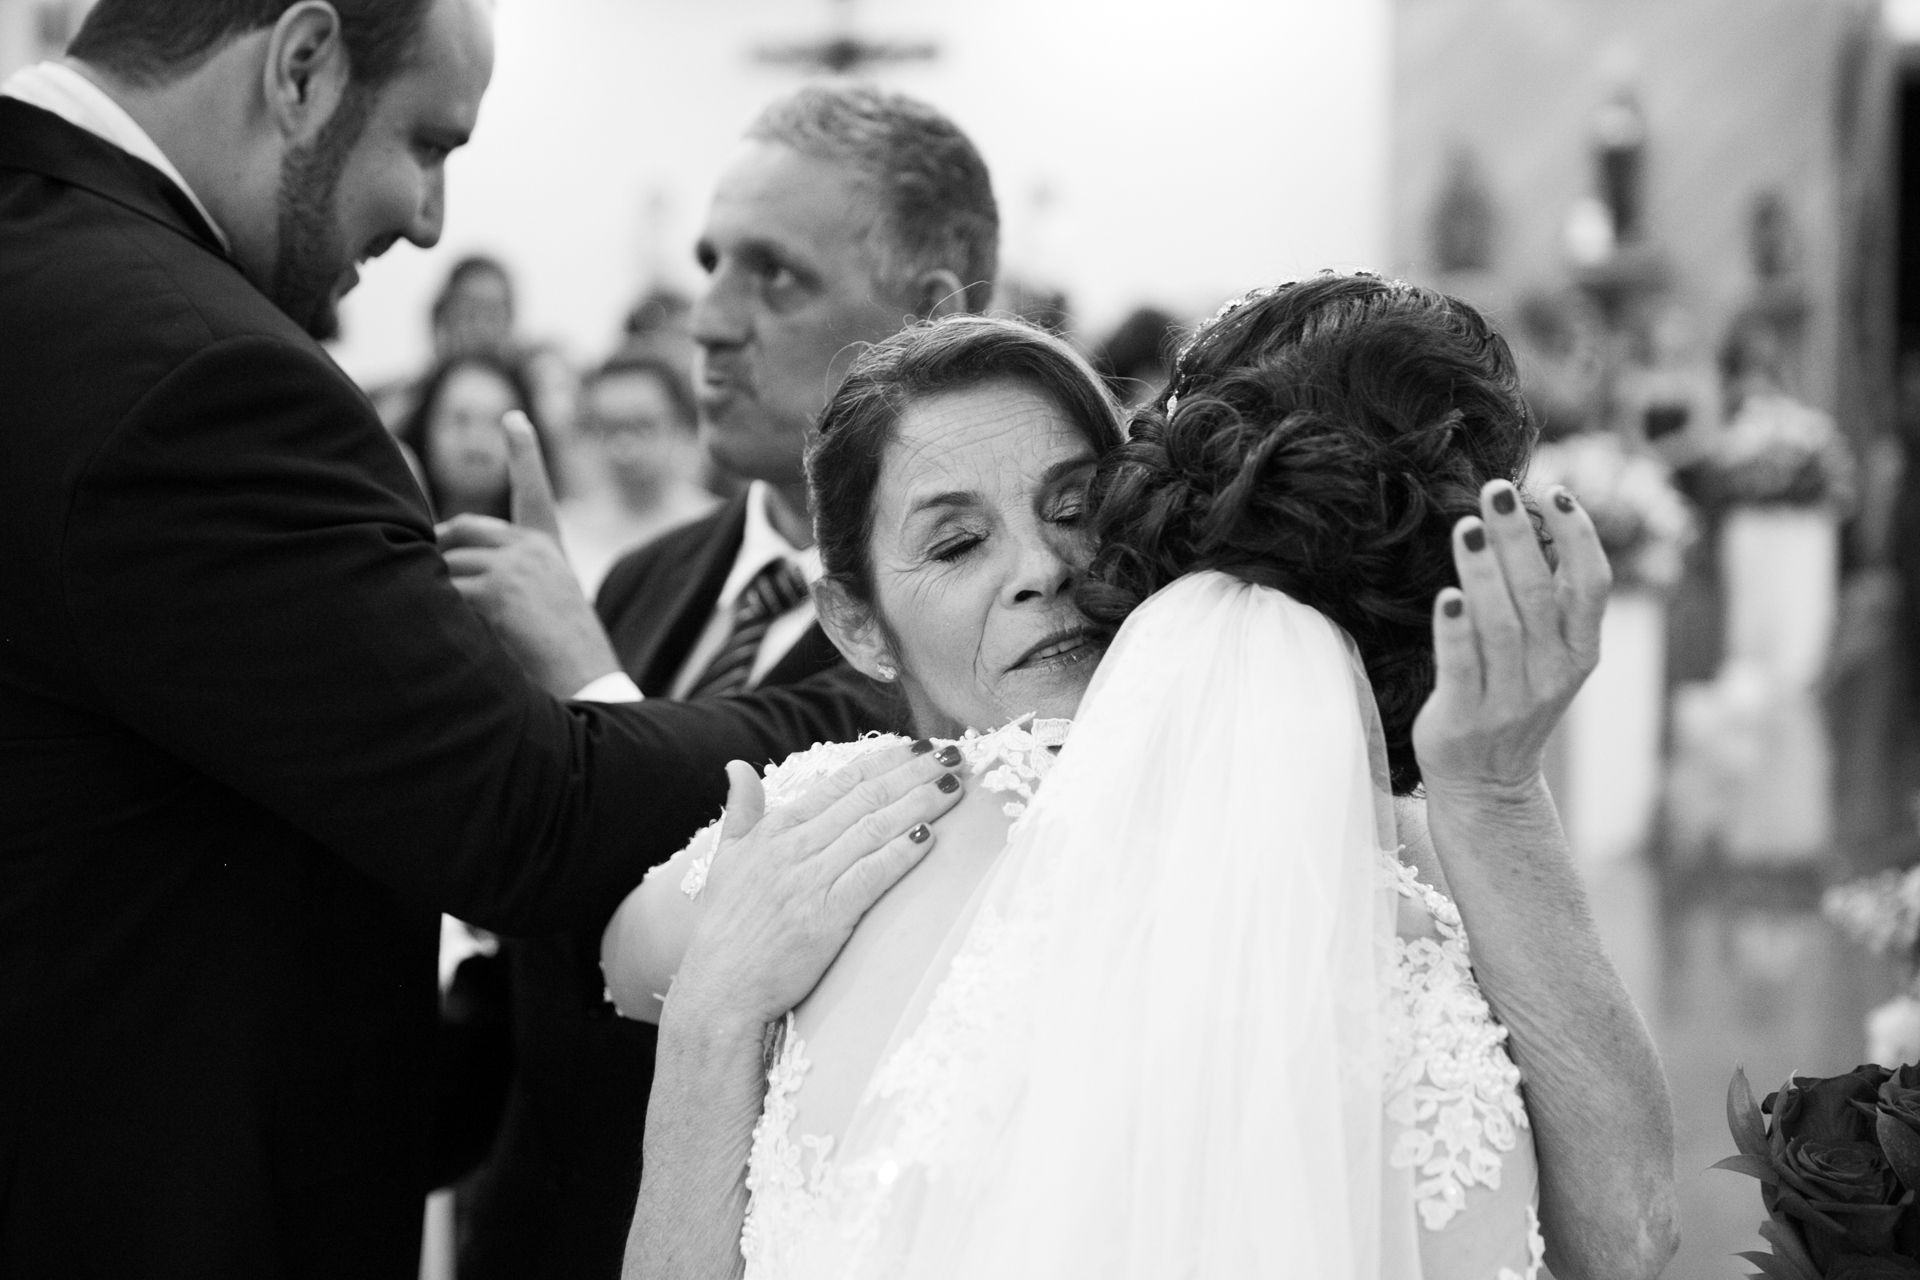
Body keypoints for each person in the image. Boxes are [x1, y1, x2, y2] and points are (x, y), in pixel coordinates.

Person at [0, 5, 955, 1275]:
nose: (432, 218)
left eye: (772, 273)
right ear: (300, 66)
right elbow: (524, 811)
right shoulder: (187, 365)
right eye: (428, 141)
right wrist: (898, 702)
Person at [607, 290, 1677, 1278]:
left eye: (1074, 506)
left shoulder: (1397, 843)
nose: (1042, 568)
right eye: (958, 541)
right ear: (854, 621)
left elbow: (1625, 1225)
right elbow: (623, 952)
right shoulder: (845, 828)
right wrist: (724, 989)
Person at [441, 83, 1000, 1280]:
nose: (709, 321)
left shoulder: (956, 645)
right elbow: (539, 946)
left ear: (926, 314)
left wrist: (582, 673)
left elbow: (697, 856)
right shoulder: (651, 573)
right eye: (709, 265)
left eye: (775, 275)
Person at [555, 354, 720, 596]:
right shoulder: (566, 530)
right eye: (608, 428)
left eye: (643, 426)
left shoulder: (720, 526)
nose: (625, 445)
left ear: (680, 425)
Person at [394, 350, 553, 519]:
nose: (477, 443)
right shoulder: (384, 534)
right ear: (424, 427)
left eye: (497, 422)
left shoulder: (565, 540)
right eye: (460, 420)